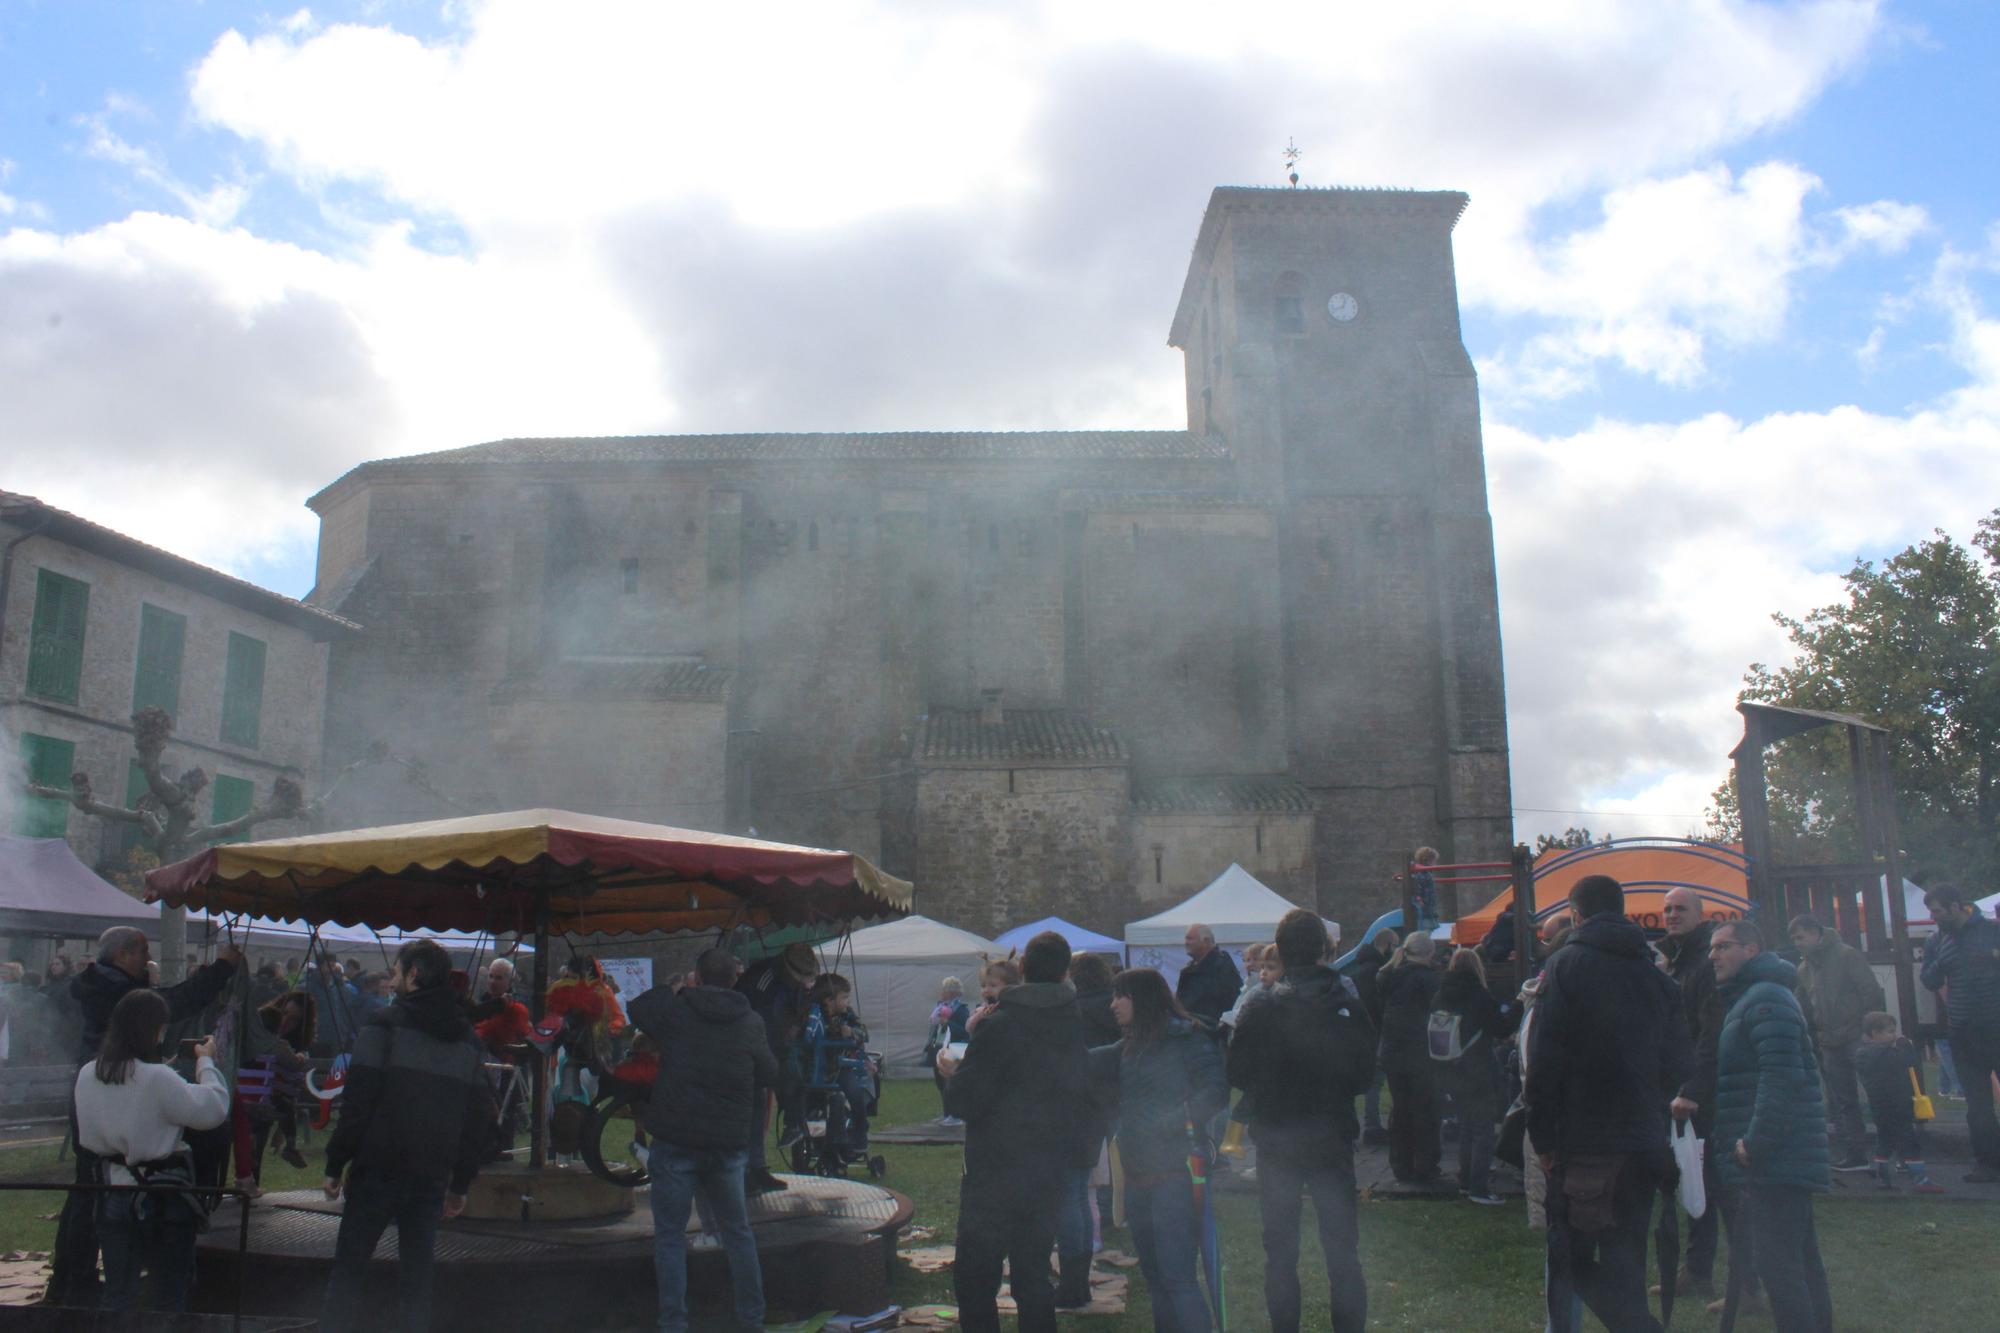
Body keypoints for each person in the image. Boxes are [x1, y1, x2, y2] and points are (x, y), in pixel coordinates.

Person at [1525, 874, 1691, 1333]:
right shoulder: (1658, 979)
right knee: (1627, 1257)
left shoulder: (1565, 966)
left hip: (1583, 1140)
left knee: (1569, 1257)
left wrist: (1541, 1135)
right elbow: (1679, 1061)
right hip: (1642, 1137)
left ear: (1576, 915)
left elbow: (1545, 1057)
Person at [49, 926, 240, 1308]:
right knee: (167, 1282)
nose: (147, 959)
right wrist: (218, 971)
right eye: (141, 952)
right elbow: (211, 1110)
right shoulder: (114, 995)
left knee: (87, 1191)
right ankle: (81, 1283)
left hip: (106, 1136)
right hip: (143, 1179)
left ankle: (73, 1282)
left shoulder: (92, 1003)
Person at [320, 938, 498, 1333]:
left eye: (397, 971)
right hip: (431, 1175)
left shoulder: (383, 1026)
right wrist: (461, 1182)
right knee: (417, 1282)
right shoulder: (468, 1041)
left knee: (348, 1275)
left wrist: (336, 1161)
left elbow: (358, 1101)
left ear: (414, 975)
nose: (392, 978)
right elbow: (478, 1117)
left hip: (377, 1170)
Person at [1227, 907, 1376, 1333]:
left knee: (1283, 1251)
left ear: (1285, 952)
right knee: (1340, 1250)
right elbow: (1365, 1074)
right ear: (1323, 951)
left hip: (1281, 1138)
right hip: (1323, 1137)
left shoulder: (1264, 1005)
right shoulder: (1345, 1002)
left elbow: (1237, 1072)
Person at [937, 931, 1094, 1333]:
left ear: (1023, 969)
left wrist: (954, 1075)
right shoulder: (1073, 1021)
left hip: (997, 1168)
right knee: (1033, 1273)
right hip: (1048, 1165)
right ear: (1064, 972)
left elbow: (966, 1100)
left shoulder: (1001, 1025)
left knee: (975, 1276)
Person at [628, 947, 778, 1333]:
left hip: (677, 1139)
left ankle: (674, 1324)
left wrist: (674, 987)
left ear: (696, 976)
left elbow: (638, 1007)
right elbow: (769, 1071)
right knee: (738, 1233)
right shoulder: (750, 1022)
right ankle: (751, 1320)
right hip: (726, 1143)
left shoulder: (677, 1011)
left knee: (671, 1238)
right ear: (734, 979)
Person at [1709, 919, 1833, 1332]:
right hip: (1779, 1155)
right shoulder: (1754, 997)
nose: (1714, 956)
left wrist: (1754, 1143)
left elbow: (1780, 1077)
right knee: (1798, 1261)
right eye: (1713, 948)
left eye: (1723, 946)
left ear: (1752, 949)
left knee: (1780, 1268)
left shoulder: (1765, 1000)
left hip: (1775, 1156)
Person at [72, 989, 230, 1312]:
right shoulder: (157, 1078)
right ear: (154, 1029)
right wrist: (206, 1062)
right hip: (162, 1197)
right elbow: (212, 1109)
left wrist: (164, 1073)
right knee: (168, 1295)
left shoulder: (89, 1072)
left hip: (112, 1192)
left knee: (118, 1293)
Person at [1092, 967, 1227, 1333]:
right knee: (1154, 1278)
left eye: (1122, 995)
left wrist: (1173, 1120)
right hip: (1138, 1176)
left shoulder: (1187, 1038)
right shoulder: (1130, 1044)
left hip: (1176, 1175)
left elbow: (1215, 1091)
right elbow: (1083, 1063)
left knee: (1177, 1276)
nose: (1113, 1004)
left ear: (1144, 999)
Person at [1658, 887, 1723, 1301]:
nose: (1671, 915)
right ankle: (1693, 1270)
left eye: (1681, 908)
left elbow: (1708, 1032)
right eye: (1667, 909)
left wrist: (1692, 1088)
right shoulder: (1679, 959)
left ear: (1700, 914)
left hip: (1699, 1091)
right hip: (1680, 1084)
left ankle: (1704, 1272)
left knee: (1705, 1182)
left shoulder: (1703, 962)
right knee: (1688, 1178)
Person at [1918, 882, 2000, 1182]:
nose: (1933, 917)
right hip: (1963, 1029)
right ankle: (1988, 1163)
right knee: (1978, 1104)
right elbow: (1928, 979)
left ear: (1955, 906)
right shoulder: (1937, 941)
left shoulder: (1993, 931)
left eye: (1937, 911)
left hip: (1997, 1024)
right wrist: (1940, 961)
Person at [1789, 913, 1884, 1172]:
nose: (1797, 943)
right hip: (1829, 1040)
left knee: (1877, 1094)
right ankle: (1856, 1154)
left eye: (1801, 936)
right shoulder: (1804, 968)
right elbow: (1803, 1004)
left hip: (1856, 1035)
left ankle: (1891, 1151)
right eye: (1794, 939)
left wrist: (1869, 1029)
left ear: (1816, 932)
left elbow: (1871, 992)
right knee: (1843, 1101)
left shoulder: (1846, 955)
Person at [1057, 952, 1119, 1306]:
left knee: (1076, 1188)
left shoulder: (1075, 1009)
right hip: (1107, 1094)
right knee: (1101, 1168)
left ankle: (1073, 1280)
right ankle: (1110, 1213)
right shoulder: (1112, 1005)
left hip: (1080, 1096)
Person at [1433, 947, 1511, 1204]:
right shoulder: (1479, 995)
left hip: (1452, 1068)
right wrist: (1520, 1004)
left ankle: (1465, 1182)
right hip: (1477, 1067)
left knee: (1466, 1127)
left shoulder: (1441, 995)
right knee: (1483, 1129)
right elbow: (1501, 1028)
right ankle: (1479, 1187)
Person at [737, 941, 816, 1191]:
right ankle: (745, 1172)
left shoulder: (788, 984)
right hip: (749, 1046)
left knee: (759, 1108)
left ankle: (757, 1168)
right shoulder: (763, 979)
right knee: (750, 1110)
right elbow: (759, 1020)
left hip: (770, 1043)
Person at [1375, 931, 1444, 1183]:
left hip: (1393, 1051)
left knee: (1401, 1110)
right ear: (1430, 953)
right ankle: (1424, 1165)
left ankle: (1401, 1164)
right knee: (1425, 1110)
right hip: (1420, 1052)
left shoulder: (1389, 976)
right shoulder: (1429, 980)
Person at [232, 989, 315, 1192]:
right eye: (285, 1014)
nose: (287, 1022)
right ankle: (252, 1179)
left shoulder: (274, 1042)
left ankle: (251, 1180)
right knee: (255, 1131)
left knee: (257, 1132)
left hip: (265, 1098)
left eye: (294, 1019)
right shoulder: (275, 1043)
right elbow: (295, 1067)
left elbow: (291, 1085)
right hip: (258, 1099)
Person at [1853, 1010, 1942, 1192]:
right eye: (1890, 1031)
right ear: (1875, 1033)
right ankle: (1919, 1179)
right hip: (1898, 1106)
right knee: (1909, 1142)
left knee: (1884, 1142)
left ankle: (1882, 1176)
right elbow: (1909, 1061)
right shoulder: (1887, 1054)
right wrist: (1905, 1045)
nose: (1895, 1035)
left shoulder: (1863, 1055)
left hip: (1879, 1108)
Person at [799, 973, 875, 1157]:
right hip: (815, 1069)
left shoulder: (847, 1015)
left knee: (854, 1092)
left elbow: (863, 1033)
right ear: (829, 1000)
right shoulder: (814, 1015)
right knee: (807, 1100)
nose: (847, 1002)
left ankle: (859, 1132)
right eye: (844, 998)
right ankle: (808, 1136)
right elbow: (806, 1037)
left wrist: (851, 1033)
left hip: (839, 1068)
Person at [1349, 927, 1397, 1145]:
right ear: (1386, 945)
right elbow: (1376, 1006)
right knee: (1376, 1082)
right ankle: (1372, 1126)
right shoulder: (1373, 971)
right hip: (1375, 1032)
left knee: (1373, 1083)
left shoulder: (1362, 969)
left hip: (1364, 1033)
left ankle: (1371, 1125)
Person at [1174, 924, 1241, 1030]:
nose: (1186, 943)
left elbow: (1229, 1002)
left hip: (1210, 1033)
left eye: (1190, 939)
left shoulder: (1221, 966)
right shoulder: (1190, 969)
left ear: (1205, 941)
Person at [925, 977, 971, 1124]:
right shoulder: (940, 1007)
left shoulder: (961, 1010)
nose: (941, 992)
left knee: (950, 1082)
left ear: (951, 993)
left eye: (944, 989)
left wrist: (947, 1022)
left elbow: (965, 1031)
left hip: (953, 1049)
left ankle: (956, 1115)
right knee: (940, 1083)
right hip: (938, 1047)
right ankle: (947, 1114)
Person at [965, 958, 1021, 1033]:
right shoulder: (981, 1010)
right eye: (983, 986)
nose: (986, 990)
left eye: (993, 985)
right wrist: (980, 1015)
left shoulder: (1014, 1010)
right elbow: (969, 1028)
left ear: (1010, 987)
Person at [1409, 846, 1441, 929]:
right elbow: (1416, 887)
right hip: (1424, 908)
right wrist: (1419, 898)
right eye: (1434, 861)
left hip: (1427, 907)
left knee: (1427, 928)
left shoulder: (1424, 873)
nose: (1435, 864)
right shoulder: (1422, 873)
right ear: (1428, 860)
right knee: (1424, 929)